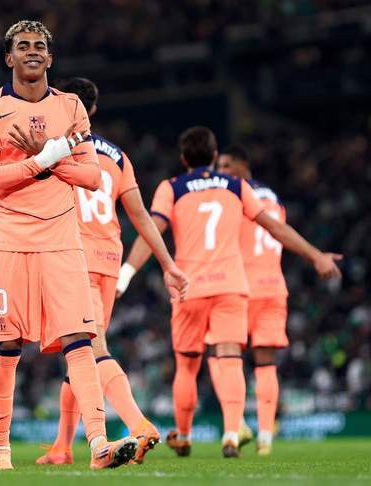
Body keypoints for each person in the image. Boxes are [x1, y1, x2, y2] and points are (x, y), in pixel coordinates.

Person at [0, 20, 186, 470]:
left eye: (39, 46)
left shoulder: (70, 107)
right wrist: (44, 158)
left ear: (50, 58)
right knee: (6, 348)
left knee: (81, 341)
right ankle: (1, 448)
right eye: (23, 46)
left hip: (64, 243)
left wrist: (49, 160)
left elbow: (91, 176)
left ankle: (99, 445)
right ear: (9, 57)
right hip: (9, 240)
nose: (32, 51)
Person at [117, 127, 341, 457]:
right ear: (213, 155)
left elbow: (151, 229)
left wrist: (126, 273)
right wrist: (315, 255)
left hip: (189, 286)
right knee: (231, 357)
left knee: (187, 365)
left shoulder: (172, 187)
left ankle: (184, 435)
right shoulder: (236, 186)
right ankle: (232, 434)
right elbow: (274, 227)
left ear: (183, 158)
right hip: (231, 287)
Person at [36, 77, 188, 466]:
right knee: (77, 353)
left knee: (90, 350)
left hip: (73, 257)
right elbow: (140, 215)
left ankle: (140, 425)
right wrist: (168, 264)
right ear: (94, 110)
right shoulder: (118, 157)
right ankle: (62, 447)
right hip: (108, 259)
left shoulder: (55, 150)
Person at [207, 145, 290, 455]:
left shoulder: (234, 195)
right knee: (266, 363)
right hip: (274, 287)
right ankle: (266, 437)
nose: (221, 172)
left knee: (219, 352)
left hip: (241, 287)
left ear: (243, 165)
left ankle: (238, 421)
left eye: (227, 166)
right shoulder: (276, 201)